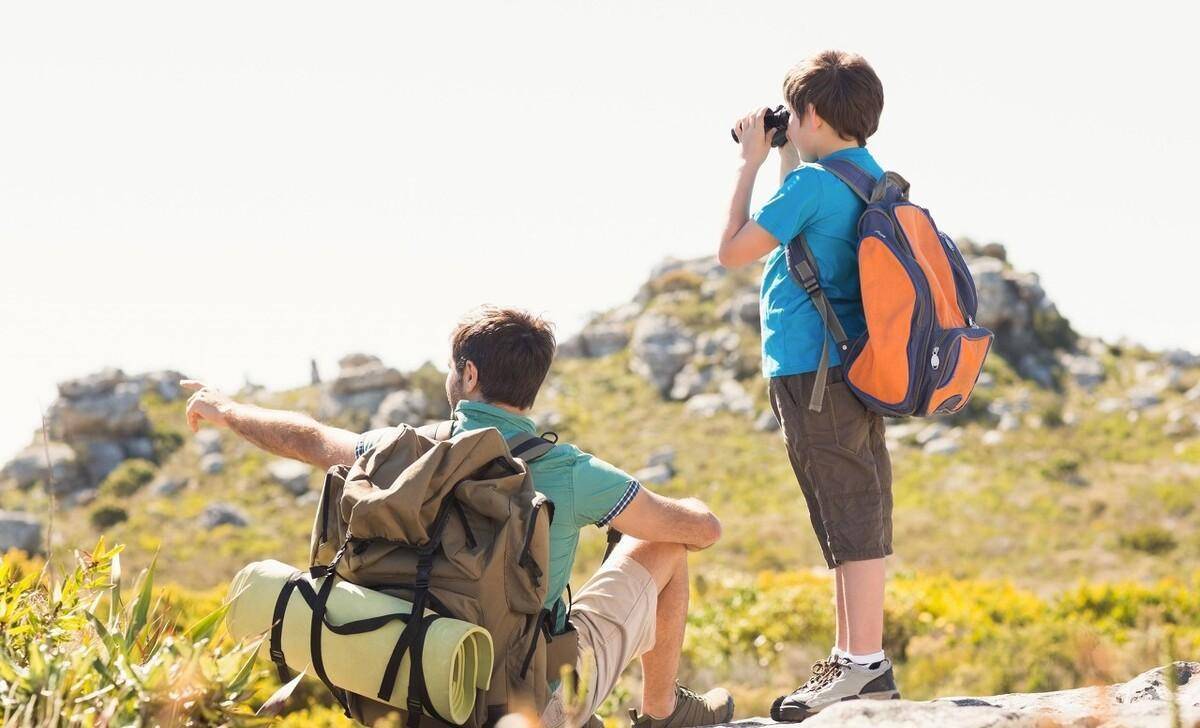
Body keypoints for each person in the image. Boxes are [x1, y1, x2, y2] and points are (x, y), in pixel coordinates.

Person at [182, 305, 735, 728]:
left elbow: (305, 438)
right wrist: (691, 510)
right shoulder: (571, 471)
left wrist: (227, 411)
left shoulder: (397, 450)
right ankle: (664, 714)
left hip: (415, 680)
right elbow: (701, 532)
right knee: (661, 547)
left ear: (468, 376)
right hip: (525, 703)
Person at [716, 50, 899, 721]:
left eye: (791, 114)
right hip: (857, 370)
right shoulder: (865, 176)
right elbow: (805, 231)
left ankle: (861, 664)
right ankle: (855, 658)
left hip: (811, 372)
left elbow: (733, 249)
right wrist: (787, 155)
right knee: (855, 507)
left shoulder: (810, 186)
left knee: (842, 513)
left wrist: (749, 163)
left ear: (811, 115)